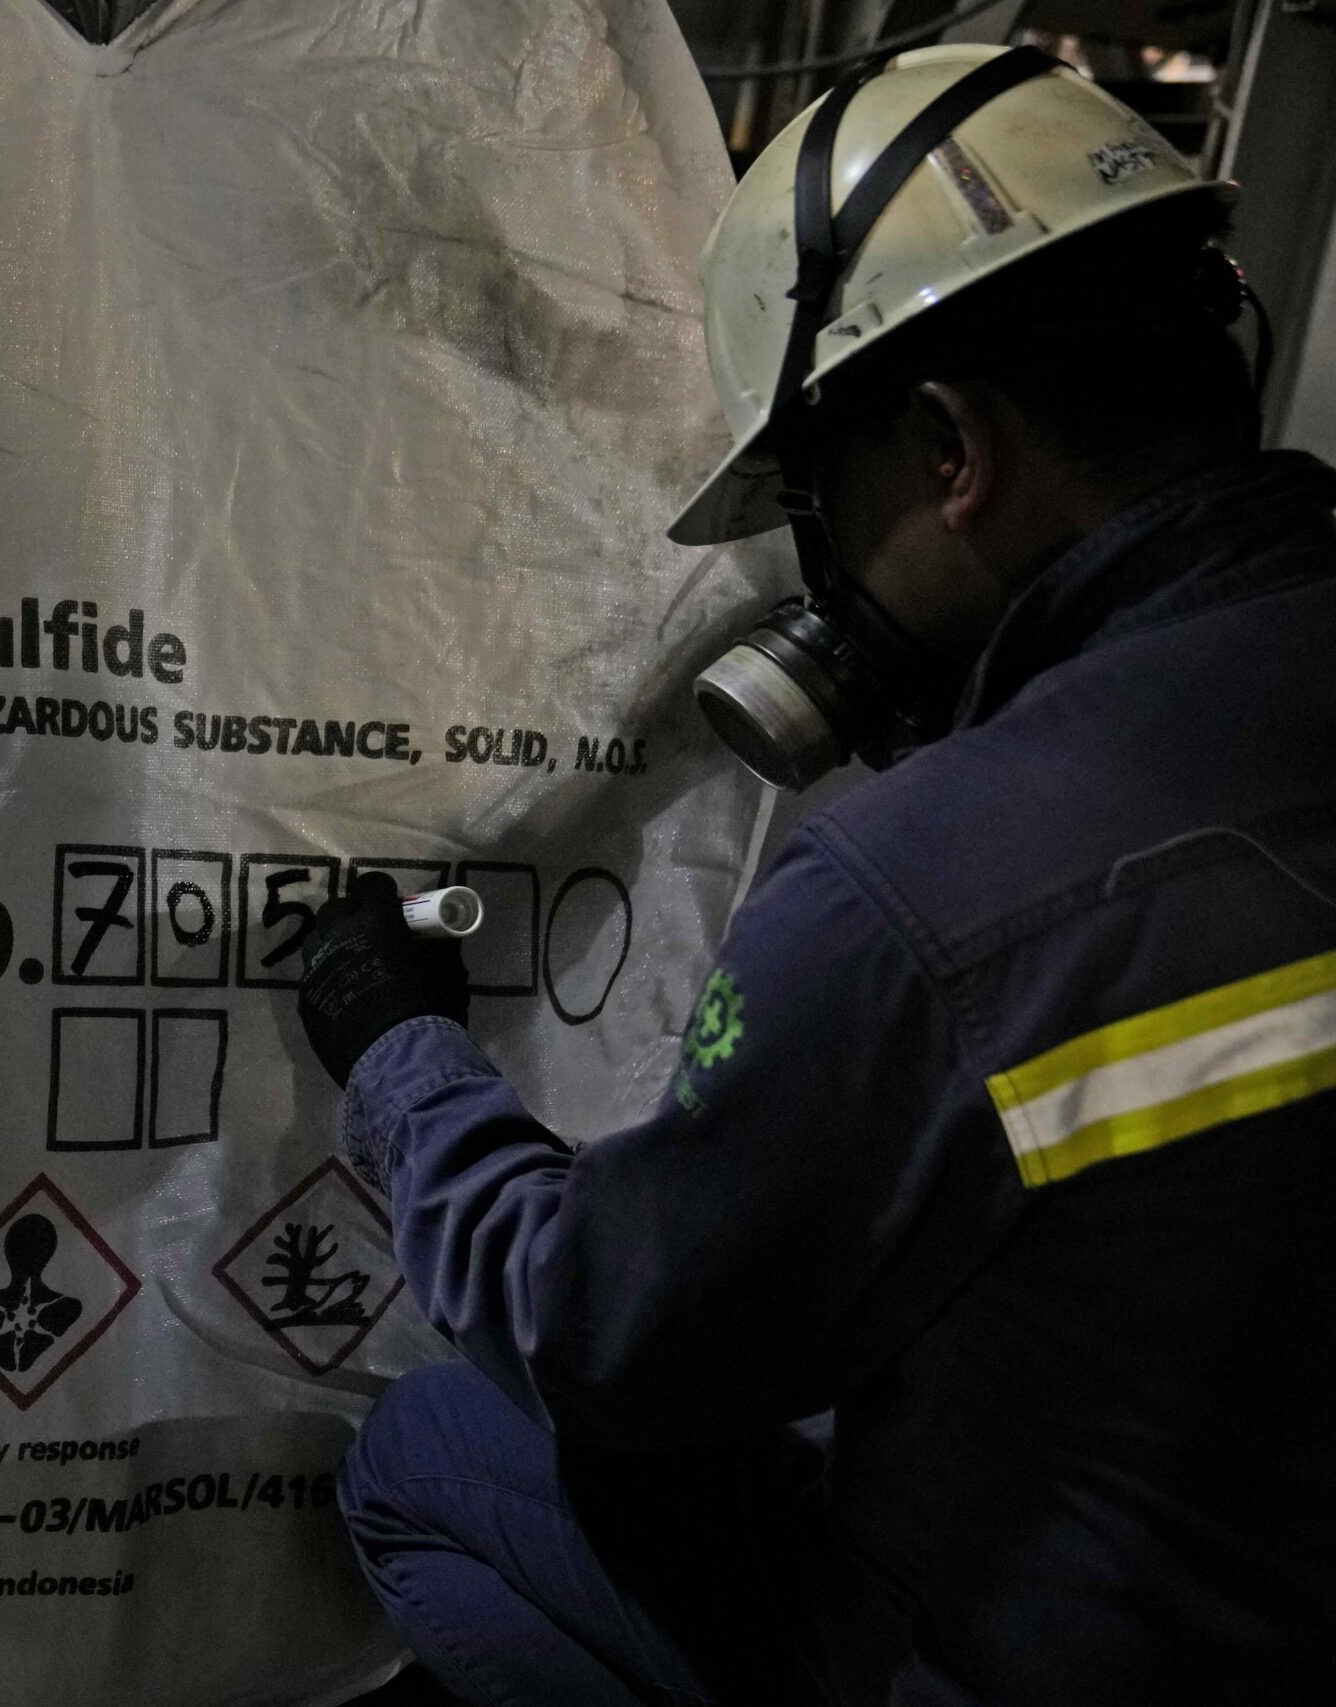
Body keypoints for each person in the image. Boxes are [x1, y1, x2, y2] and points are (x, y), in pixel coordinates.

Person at [292, 44, 1336, 1707]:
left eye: (810, 499)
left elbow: (602, 1339)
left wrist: (404, 1059)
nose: (819, 573)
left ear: (947, 451)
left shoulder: (940, 890)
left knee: (428, 1453)